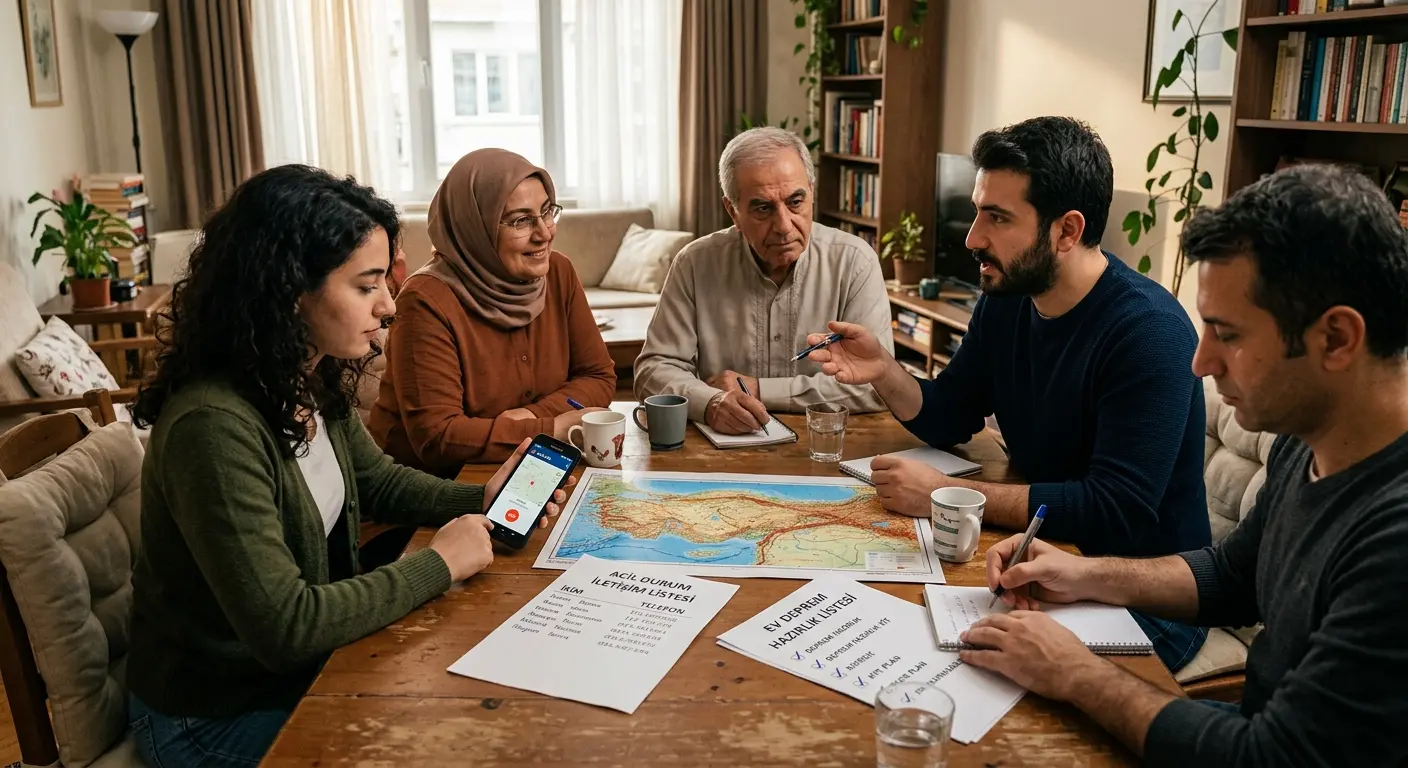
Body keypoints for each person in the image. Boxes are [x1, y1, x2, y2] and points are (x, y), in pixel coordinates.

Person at [956, 164, 1408, 767]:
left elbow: (1272, 757)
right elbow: (1231, 577)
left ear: (1336, 339)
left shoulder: (1394, 542)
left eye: (1226, 333)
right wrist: (1082, 573)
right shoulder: (1314, 437)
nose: (1199, 363)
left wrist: (1076, 672)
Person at [126, 164, 573, 767]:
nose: (390, 305)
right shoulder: (213, 425)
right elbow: (287, 625)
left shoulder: (297, 373)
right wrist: (436, 564)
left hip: (296, 672)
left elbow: (377, 480)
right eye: (366, 287)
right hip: (214, 716)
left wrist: (480, 499)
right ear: (289, 290)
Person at [807, 117, 1209, 671]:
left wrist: (948, 495)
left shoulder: (1149, 333)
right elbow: (952, 412)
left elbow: (1115, 507)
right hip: (1039, 560)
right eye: (978, 211)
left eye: (997, 218)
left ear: (1067, 231)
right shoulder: (1009, 298)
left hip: (1141, 593)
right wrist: (884, 371)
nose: (972, 237)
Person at [633, 126, 892, 435]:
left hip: (826, 444)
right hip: (722, 451)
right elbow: (652, 371)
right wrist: (711, 402)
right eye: (762, 208)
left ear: (811, 191)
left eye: (796, 202)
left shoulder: (855, 261)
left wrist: (758, 390)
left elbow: (876, 383)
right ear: (732, 210)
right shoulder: (695, 263)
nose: (783, 226)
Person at [370, 149, 614, 474]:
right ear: (476, 227)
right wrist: (549, 429)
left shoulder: (559, 272)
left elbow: (598, 376)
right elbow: (438, 437)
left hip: (530, 472)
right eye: (522, 220)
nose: (545, 233)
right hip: (432, 493)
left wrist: (529, 419)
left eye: (547, 212)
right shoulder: (424, 300)